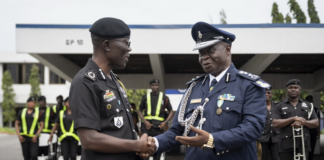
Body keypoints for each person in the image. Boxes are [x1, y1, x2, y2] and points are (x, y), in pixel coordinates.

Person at [139, 22, 269, 160]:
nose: (204, 57)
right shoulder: (194, 87)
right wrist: (155, 143)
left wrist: (212, 139)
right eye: (201, 53)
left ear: (228, 49)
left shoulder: (249, 85)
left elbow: (253, 128)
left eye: (211, 51)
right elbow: (178, 130)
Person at [69, 17, 155, 160]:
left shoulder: (114, 80)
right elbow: (89, 139)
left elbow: (118, 130)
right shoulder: (85, 82)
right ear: (107, 45)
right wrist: (136, 145)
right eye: (126, 43)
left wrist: (140, 144)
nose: (129, 48)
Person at [272, 79, 319, 160]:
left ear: (300, 90)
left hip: (304, 143)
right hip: (285, 145)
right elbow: (275, 123)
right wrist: (293, 119)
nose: (293, 89)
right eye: (290, 87)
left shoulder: (308, 105)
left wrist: (304, 122)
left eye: (296, 87)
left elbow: (316, 122)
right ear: (286, 90)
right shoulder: (279, 105)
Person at [137, 79, 174, 160]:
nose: (155, 87)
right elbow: (139, 110)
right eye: (153, 85)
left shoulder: (164, 97)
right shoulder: (145, 97)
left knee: (157, 151)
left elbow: (171, 110)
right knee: (144, 149)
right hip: (146, 128)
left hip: (159, 128)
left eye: (156, 85)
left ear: (159, 86)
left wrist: (165, 122)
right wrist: (144, 121)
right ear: (150, 86)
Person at [257, 87, 280, 160]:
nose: (266, 94)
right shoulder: (257, 107)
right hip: (262, 137)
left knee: (276, 157)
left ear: (272, 94)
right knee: (262, 157)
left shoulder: (277, 106)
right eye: (264, 93)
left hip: (276, 137)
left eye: (268, 93)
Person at [304, 95, 320, 160]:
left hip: (313, 131)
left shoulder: (316, 110)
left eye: (310, 101)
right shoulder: (303, 109)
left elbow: (318, 122)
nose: (309, 102)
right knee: (304, 148)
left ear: (312, 101)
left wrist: (318, 132)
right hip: (305, 131)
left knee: (312, 148)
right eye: (308, 101)